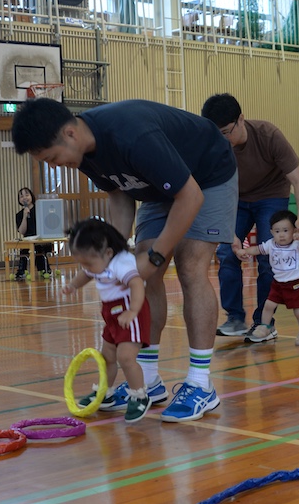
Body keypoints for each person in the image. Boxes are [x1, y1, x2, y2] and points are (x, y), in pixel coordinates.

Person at [12, 97, 238, 423]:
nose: (56, 166)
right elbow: (119, 195)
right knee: (143, 274)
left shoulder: (132, 135)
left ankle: (201, 383)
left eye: (52, 158)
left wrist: (156, 256)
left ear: (70, 134)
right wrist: (115, 256)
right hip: (158, 187)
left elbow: (190, 196)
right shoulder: (84, 153)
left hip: (206, 176)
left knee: (190, 266)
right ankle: (147, 380)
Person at [201, 94, 299, 337]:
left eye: (226, 132)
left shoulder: (268, 135)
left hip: (271, 195)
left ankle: (264, 322)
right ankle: (235, 318)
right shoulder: (214, 146)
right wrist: (227, 230)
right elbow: (212, 191)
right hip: (235, 199)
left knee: (268, 255)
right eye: (216, 134)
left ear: (241, 119)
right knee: (226, 252)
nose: (223, 139)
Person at [62, 218, 152, 424]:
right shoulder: (97, 260)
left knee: (126, 357)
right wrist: (73, 285)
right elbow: (85, 275)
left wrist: (133, 311)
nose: (86, 268)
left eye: (88, 263)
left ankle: (140, 396)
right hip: (110, 313)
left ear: (109, 252)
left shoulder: (121, 263)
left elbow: (137, 283)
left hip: (129, 311)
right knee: (107, 356)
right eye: (82, 263)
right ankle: (106, 392)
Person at [238, 210, 299, 346]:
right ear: (271, 232)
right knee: (268, 305)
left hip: (296, 284)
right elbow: (257, 249)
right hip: (278, 283)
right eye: (277, 231)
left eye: (286, 230)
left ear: (294, 231)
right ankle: (265, 326)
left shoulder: (298, 244)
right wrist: (245, 251)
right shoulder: (271, 244)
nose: (281, 235)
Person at [13, 187, 51, 280]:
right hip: (28, 239)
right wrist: (25, 216)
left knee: (38, 248)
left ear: (31, 196)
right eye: (21, 196)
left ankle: (45, 269)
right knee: (24, 249)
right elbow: (22, 231)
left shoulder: (39, 210)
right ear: (19, 200)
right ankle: (21, 271)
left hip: (41, 238)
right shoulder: (19, 215)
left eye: (27, 195)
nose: (24, 198)